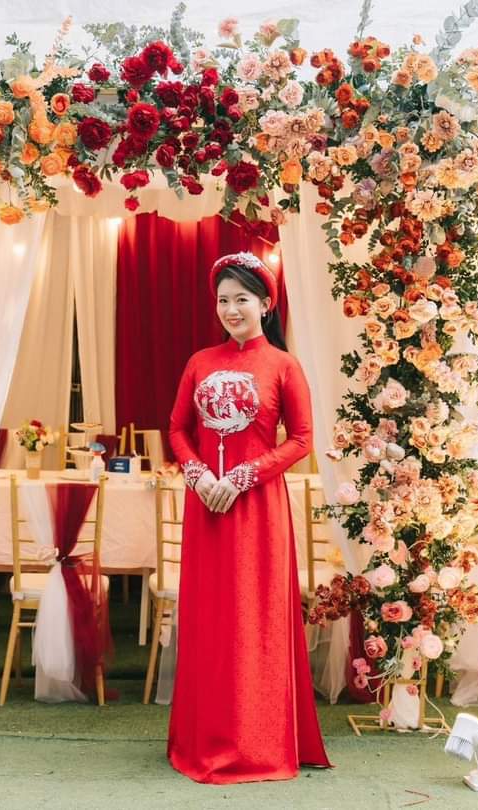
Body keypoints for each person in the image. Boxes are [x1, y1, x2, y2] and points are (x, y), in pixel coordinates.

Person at [166, 251, 331, 783]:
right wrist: (198, 474)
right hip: (206, 508)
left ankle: (257, 742)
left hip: (257, 509)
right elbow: (177, 430)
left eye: (241, 299)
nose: (231, 310)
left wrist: (241, 477)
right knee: (209, 619)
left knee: (253, 620)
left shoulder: (284, 365)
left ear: (265, 304)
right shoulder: (199, 361)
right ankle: (204, 737)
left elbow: (302, 439)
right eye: (223, 300)